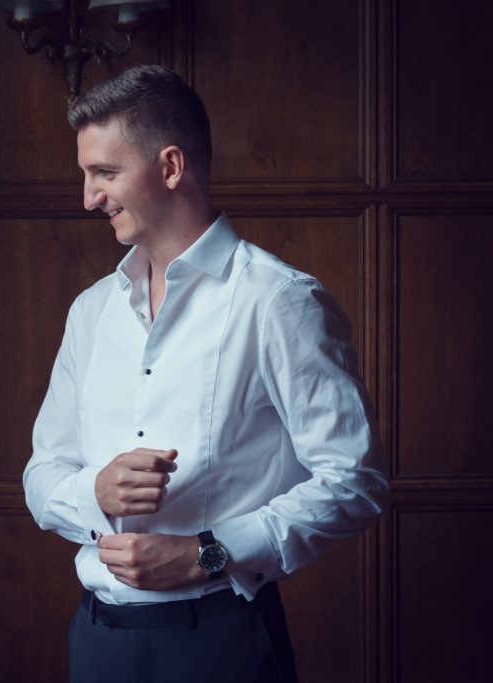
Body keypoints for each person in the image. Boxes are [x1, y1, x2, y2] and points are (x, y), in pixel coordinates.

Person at [22, 64, 388, 682]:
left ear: (169, 167)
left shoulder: (278, 302)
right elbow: (41, 473)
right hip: (94, 642)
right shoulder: (91, 312)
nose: (88, 198)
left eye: (105, 173)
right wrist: (96, 494)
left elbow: (355, 480)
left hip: (222, 643)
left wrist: (208, 554)